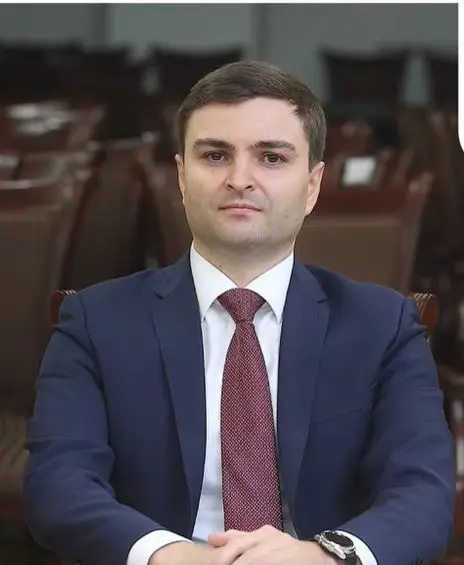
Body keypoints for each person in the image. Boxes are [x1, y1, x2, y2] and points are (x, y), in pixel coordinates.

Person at [25, 60, 454, 565]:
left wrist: (321, 558)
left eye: (271, 157)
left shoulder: (383, 325)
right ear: (181, 176)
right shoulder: (96, 321)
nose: (239, 179)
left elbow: (422, 494)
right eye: (215, 155)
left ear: (312, 185)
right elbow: (59, 485)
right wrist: (171, 555)